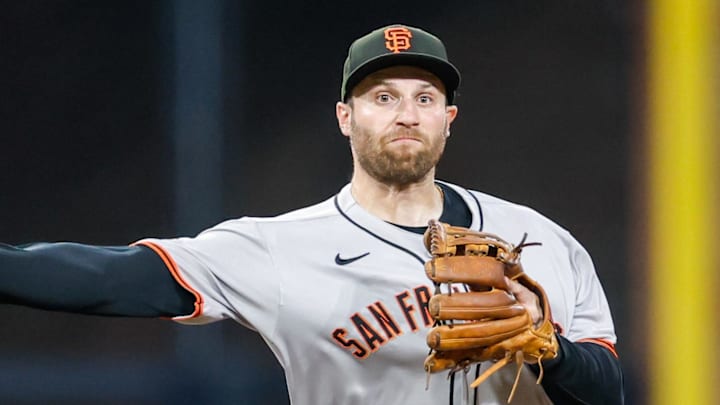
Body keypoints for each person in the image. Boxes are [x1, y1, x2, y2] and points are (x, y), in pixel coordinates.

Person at [0, 24, 623, 404]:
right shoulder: (278, 250)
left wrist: (549, 348)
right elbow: (116, 279)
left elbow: (607, 391)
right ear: (345, 118)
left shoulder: (539, 241)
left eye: (424, 98)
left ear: (447, 120)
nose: (406, 113)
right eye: (383, 97)